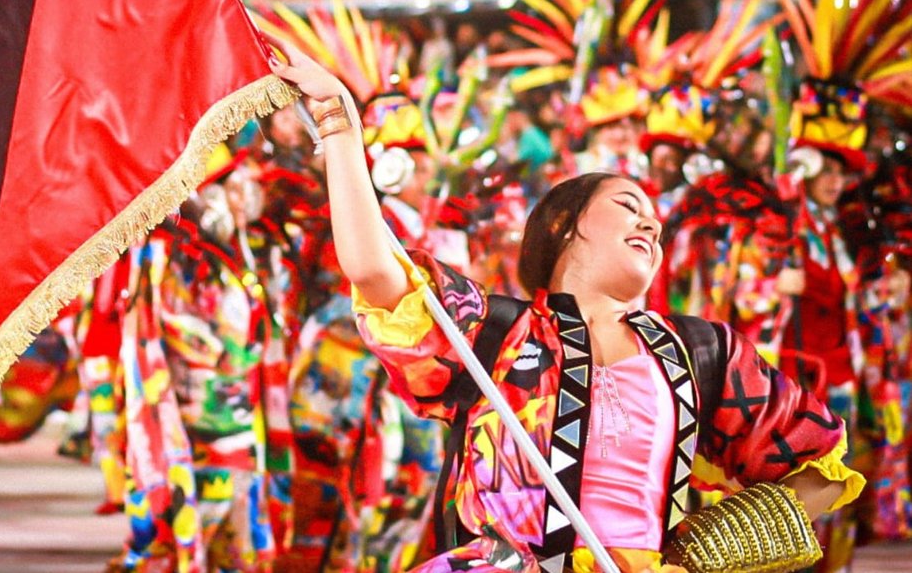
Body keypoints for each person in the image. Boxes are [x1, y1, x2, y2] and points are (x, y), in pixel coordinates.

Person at [270, 40, 863, 572]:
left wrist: (718, 548)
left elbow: (820, 466)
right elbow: (376, 269)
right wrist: (340, 127)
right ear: (565, 224)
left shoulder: (705, 349)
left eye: (653, 216)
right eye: (629, 204)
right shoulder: (497, 336)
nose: (650, 222)